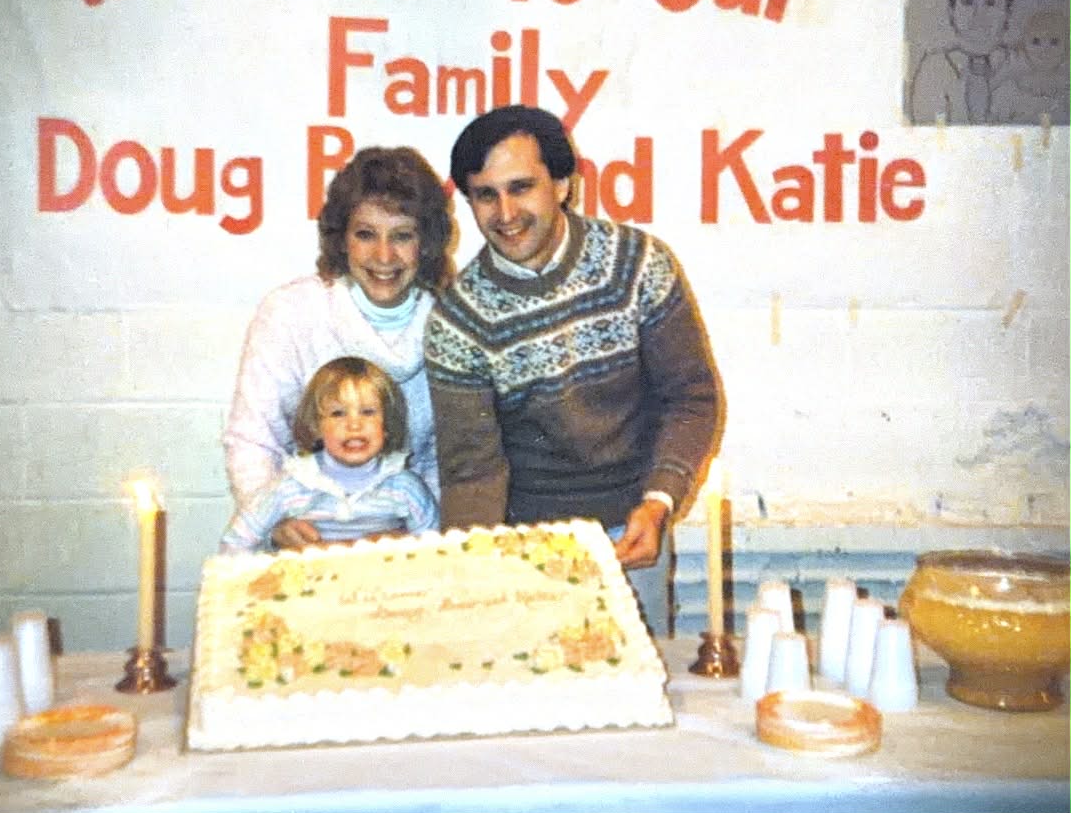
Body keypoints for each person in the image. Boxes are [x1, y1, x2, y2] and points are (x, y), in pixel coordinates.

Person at [424, 105, 721, 634]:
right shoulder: (459, 318)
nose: (506, 212)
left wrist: (658, 502)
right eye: (486, 195)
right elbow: (473, 471)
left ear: (562, 184)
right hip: (523, 544)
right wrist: (474, 569)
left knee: (638, 699)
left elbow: (692, 398)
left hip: (635, 529)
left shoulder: (639, 265)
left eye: (522, 187)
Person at [223, 146, 453, 549]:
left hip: (400, 550)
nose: (384, 256)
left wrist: (416, 537)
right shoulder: (291, 313)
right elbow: (254, 438)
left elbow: (441, 460)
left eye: (402, 236)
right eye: (366, 234)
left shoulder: (452, 323)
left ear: (427, 243)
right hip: (306, 545)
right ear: (342, 240)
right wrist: (277, 522)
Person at [220, 357, 438, 553]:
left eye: (368, 412)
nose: (354, 424)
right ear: (315, 426)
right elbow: (237, 540)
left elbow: (437, 549)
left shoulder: (405, 488)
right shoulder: (291, 487)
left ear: (387, 425)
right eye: (338, 413)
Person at [909, 0, 1016, 125]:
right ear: (952, 12)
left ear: (1008, 13)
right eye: (967, 2)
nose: (979, 14)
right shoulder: (934, 67)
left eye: (991, 2)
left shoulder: (1020, 63)